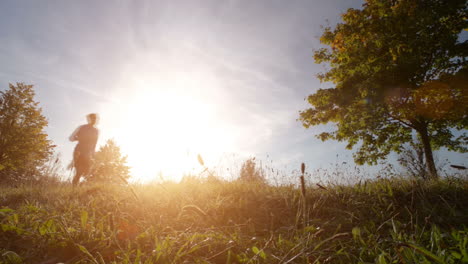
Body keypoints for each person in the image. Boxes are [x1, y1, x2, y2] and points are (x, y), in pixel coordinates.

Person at [69, 113, 99, 185]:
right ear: (88, 119)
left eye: (95, 118)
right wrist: (79, 138)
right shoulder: (81, 127)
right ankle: (74, 188)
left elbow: (94, 144)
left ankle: (78, 186)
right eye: (92, 118)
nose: (94, 120)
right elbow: (71, 138)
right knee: (79, 171)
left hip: (87, 153)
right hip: (79, 151)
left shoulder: (96, 131)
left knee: (86, 171)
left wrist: (93, 155)